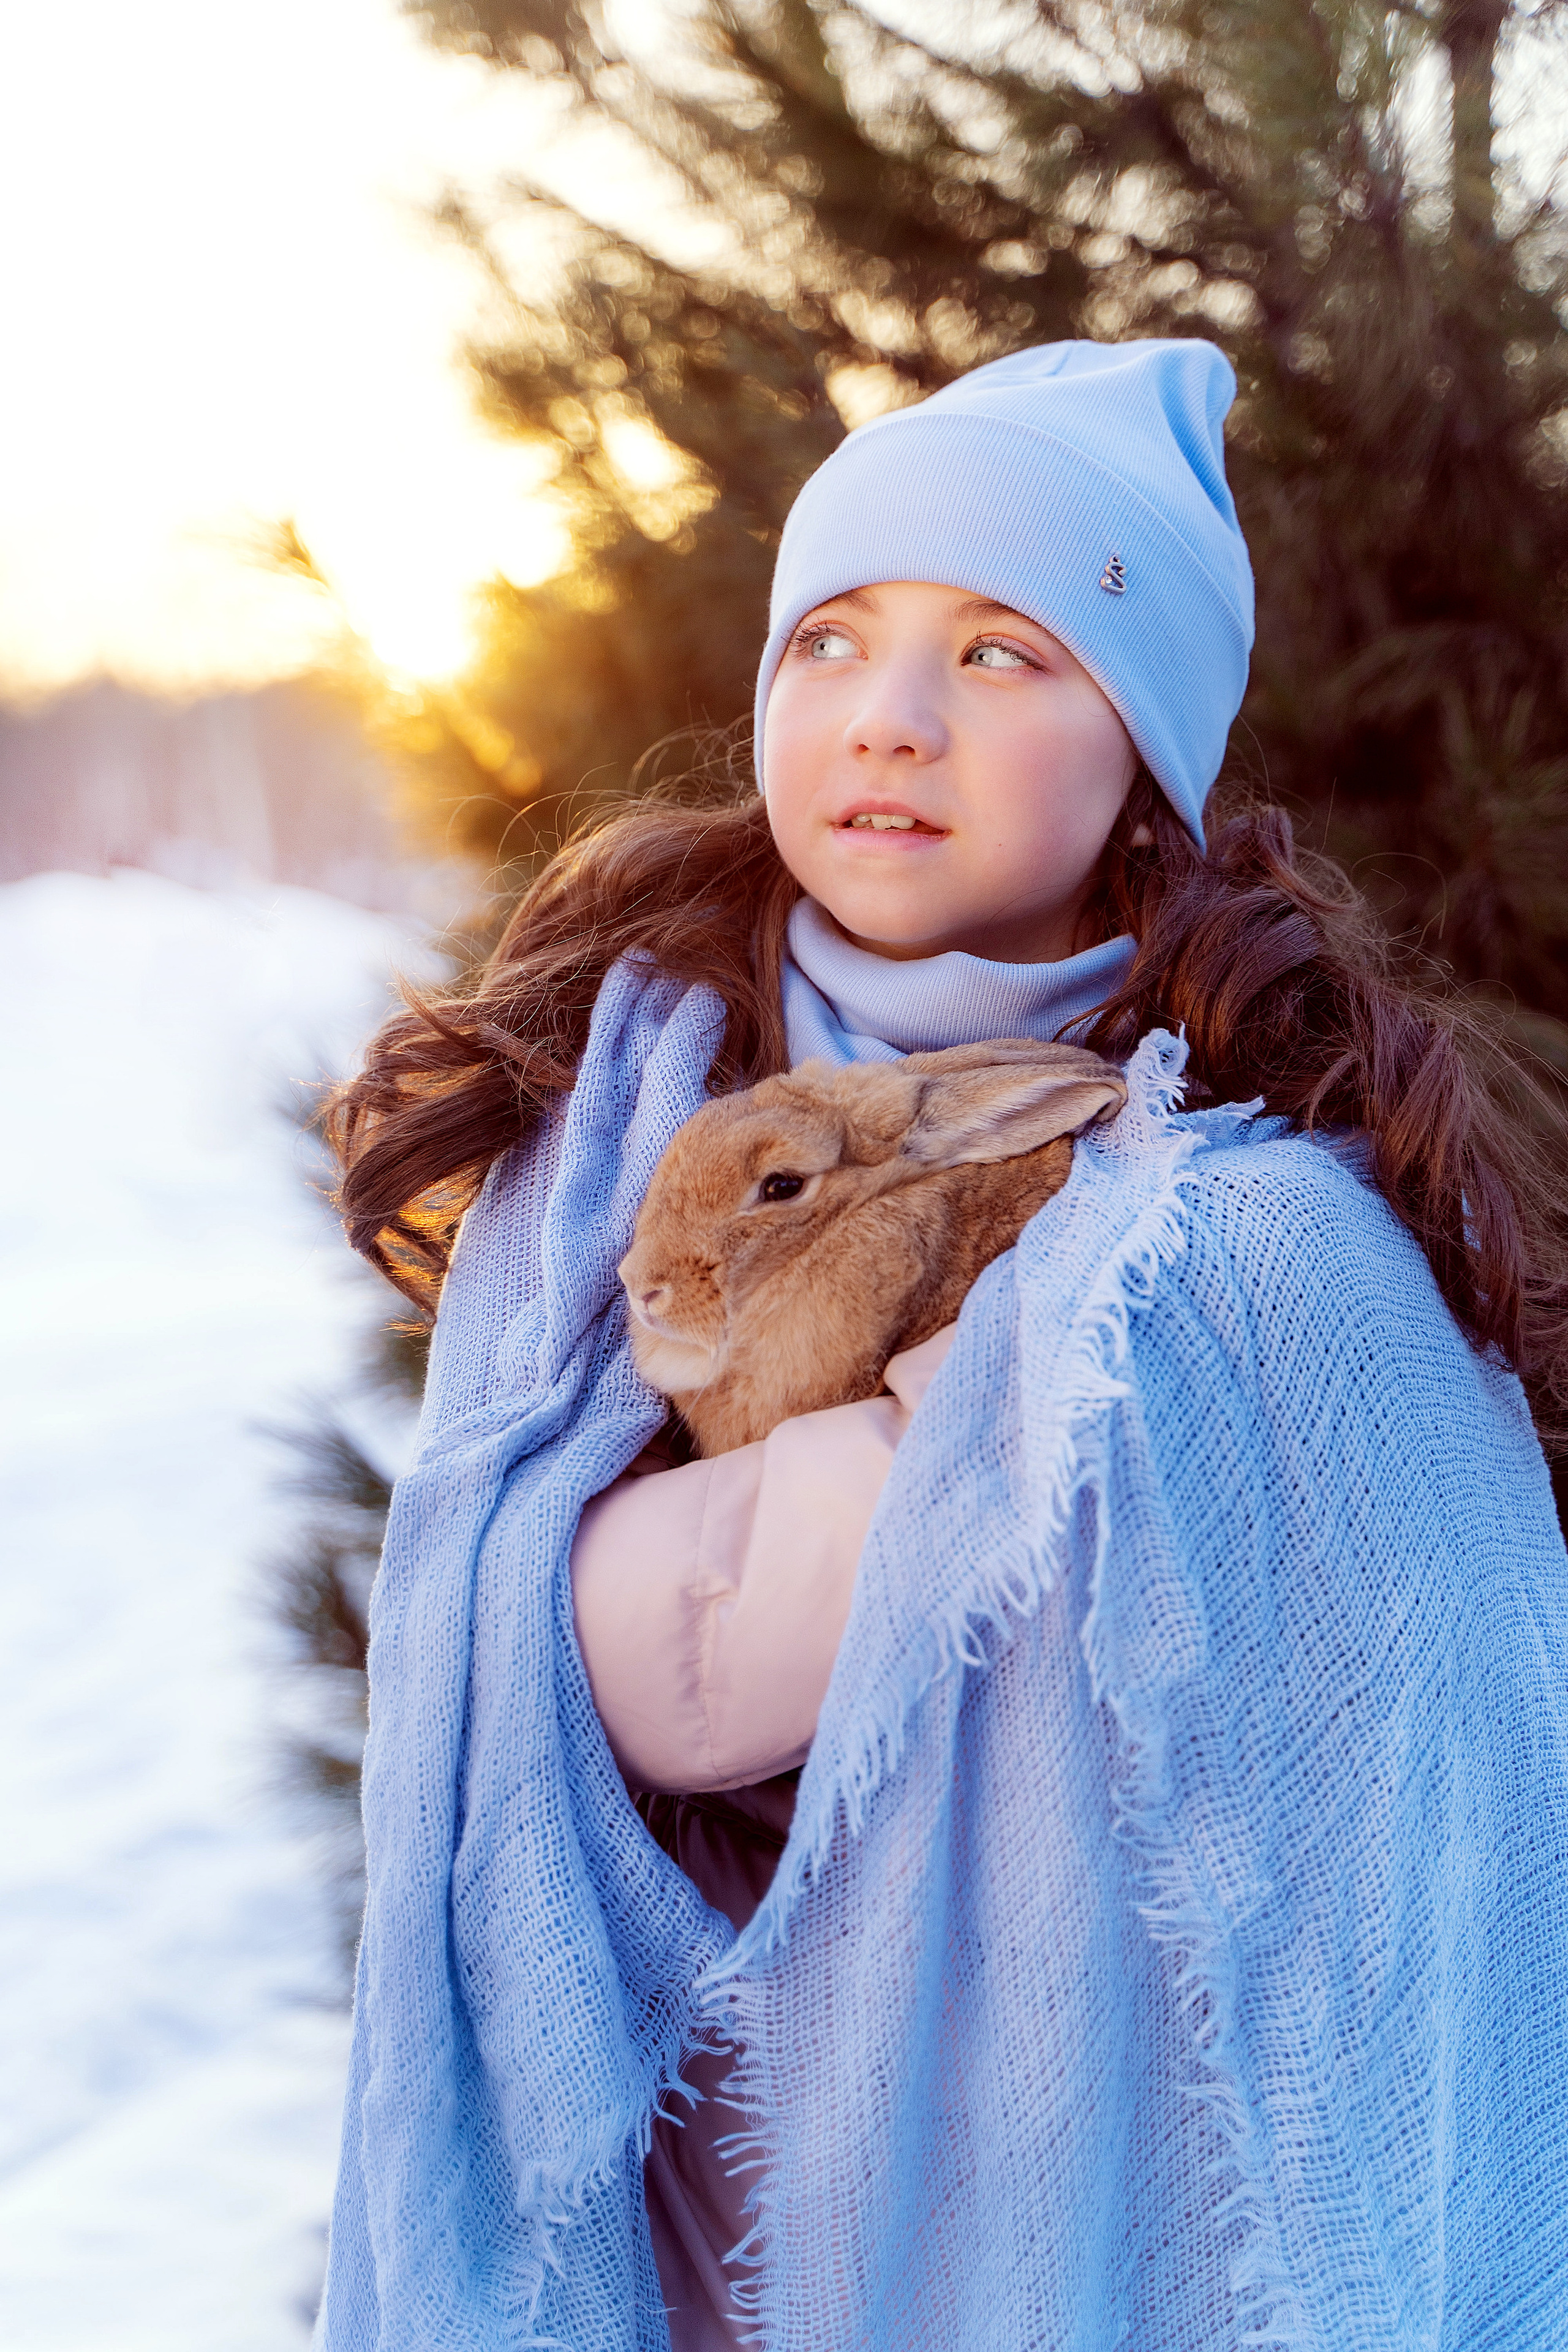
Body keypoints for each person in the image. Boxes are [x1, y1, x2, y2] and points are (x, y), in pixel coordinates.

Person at [315, 341, 1568, 2351]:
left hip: (1084, 2204)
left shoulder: (1269, 1242)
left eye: (1003, 652)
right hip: (682, 2193)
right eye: (831, 640)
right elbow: (522, 1659)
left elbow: (1412, 1825)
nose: (891, 718)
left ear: (1138, 743)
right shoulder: (606, 1141)